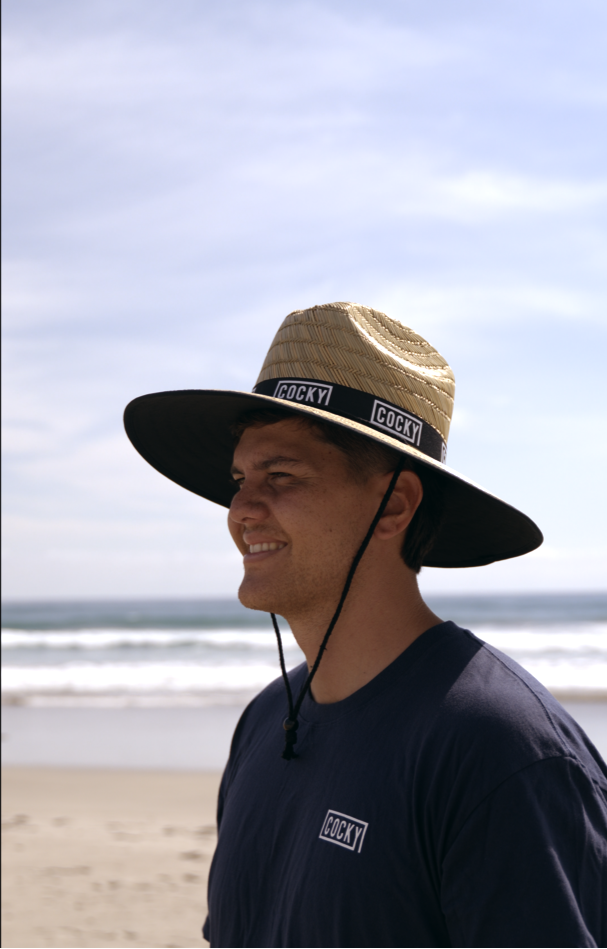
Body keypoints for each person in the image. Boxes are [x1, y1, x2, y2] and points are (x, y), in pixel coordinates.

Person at [124, 301, 607, 949]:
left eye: (280, 476)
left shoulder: (497, 749)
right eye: (239, 479)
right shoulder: (266, 720)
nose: (240, 510)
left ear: (395, 503)